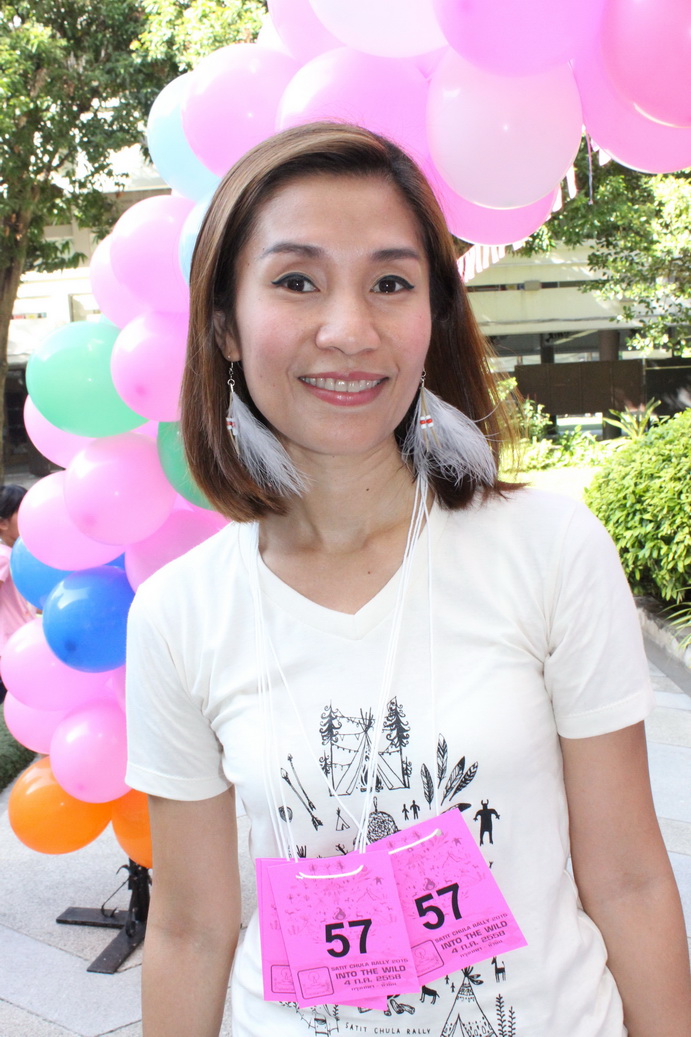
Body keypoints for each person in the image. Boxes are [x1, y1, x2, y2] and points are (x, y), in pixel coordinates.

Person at [125, 123, 691, 1037]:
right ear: (224, 323)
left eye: (390, 282)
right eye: (297, 280)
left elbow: (626, 877)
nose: (349, 330)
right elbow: (191, 928)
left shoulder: (547, 548)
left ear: (433, 316)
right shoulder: (178, 613)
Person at [0, 484, 36, 703]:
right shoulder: (4, 556)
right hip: (9, 644)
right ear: (2, 523)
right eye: (21, 513)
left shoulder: (17, 554)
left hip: (20, 641)